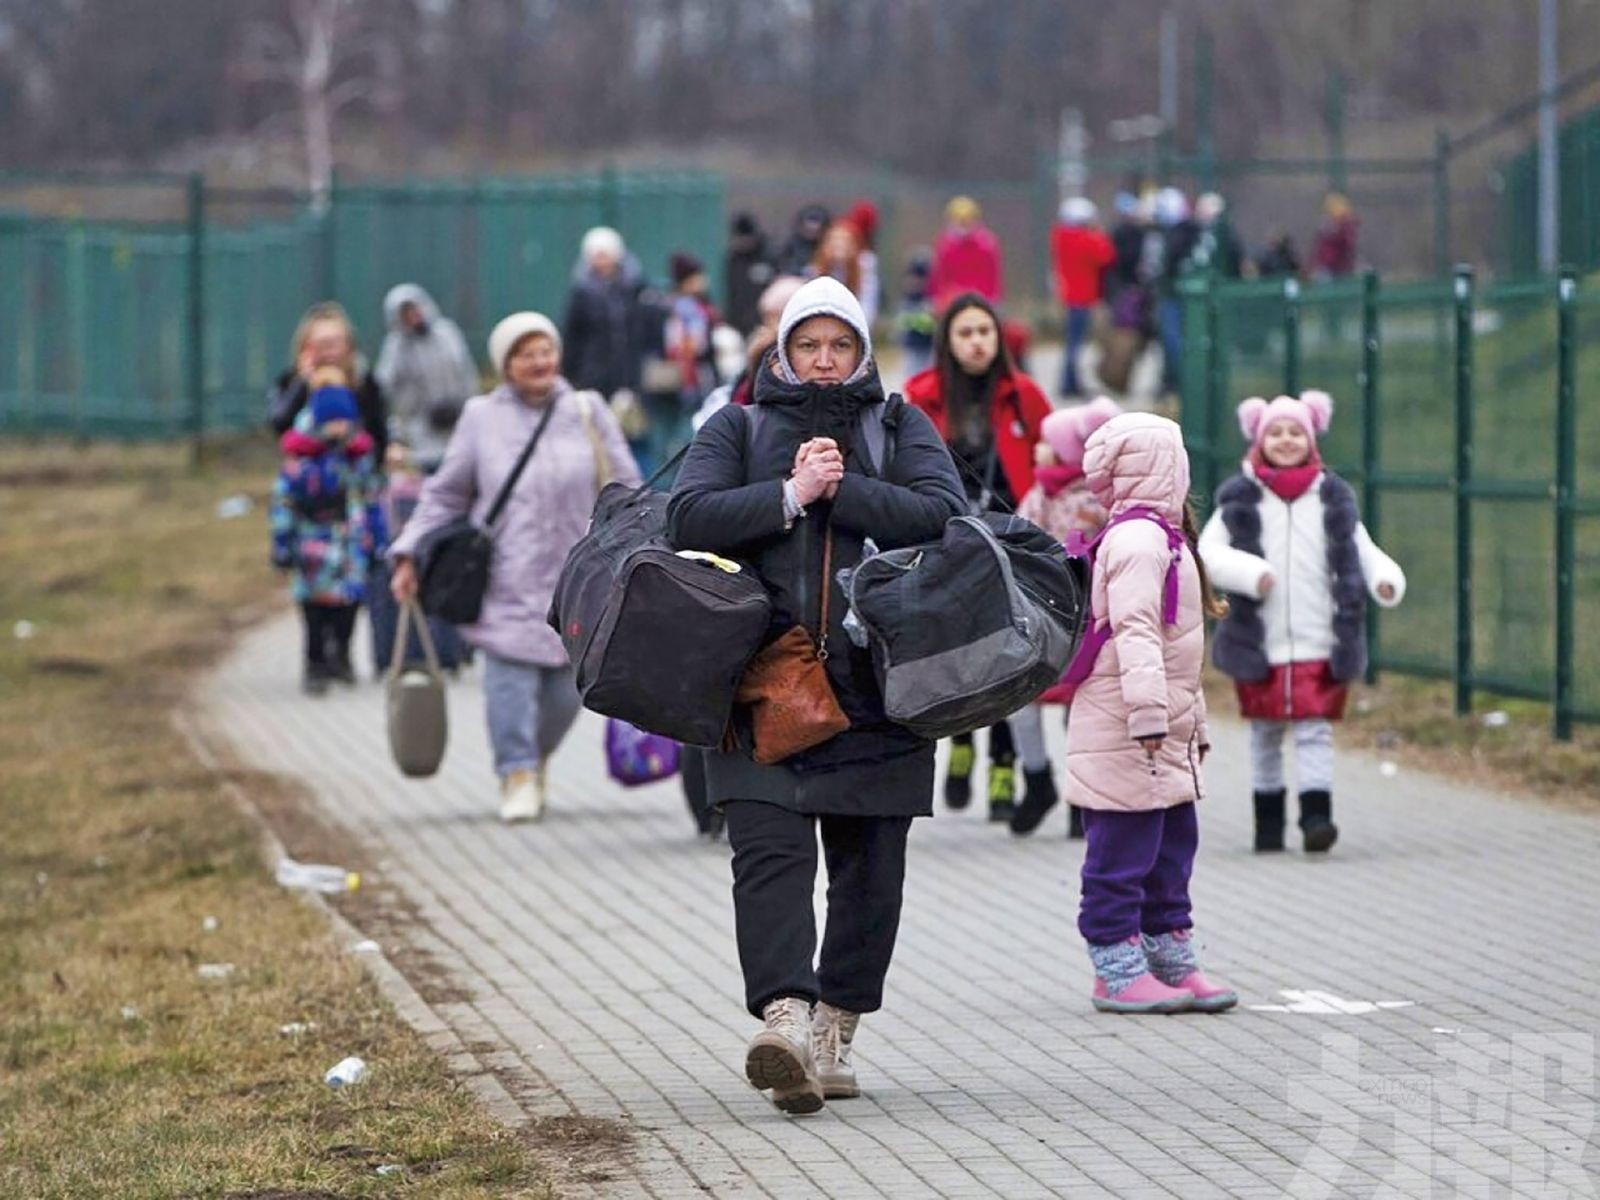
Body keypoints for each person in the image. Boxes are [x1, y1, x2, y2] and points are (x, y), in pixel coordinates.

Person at [666, 277, 966, 1115]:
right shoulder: (738, 424)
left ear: (862, 352)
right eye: (809, 345)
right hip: (759, 684)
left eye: (840, 346)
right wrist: (788, 496)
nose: (825, 362)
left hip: (880, 692)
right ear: (783, 351)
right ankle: (785, 1019)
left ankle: (835, 1025)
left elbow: (950, 515)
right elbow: (686, 517)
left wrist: (848, 491)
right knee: (769, 856)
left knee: (871, 875)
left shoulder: (898, 425)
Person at [389, 312, 642, 823]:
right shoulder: (481, 417)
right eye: (525, 354)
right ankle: (517, 771)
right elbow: (446, 494)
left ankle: (535, 757)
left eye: (545, 350)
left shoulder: (587, 411)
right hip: (506, 576)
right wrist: (408, 550)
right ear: (506, 364)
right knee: (508, 682)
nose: (539, 362)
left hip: (578, 581)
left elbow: (628, 487)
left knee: (566, 694)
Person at [1067, 412, 1236, 1015]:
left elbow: (1181, 650)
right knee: (1121, 850)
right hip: (1129, 727)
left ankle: (1170, 955)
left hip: (1164, 727)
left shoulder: (1165, 539)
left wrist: (1193, 724)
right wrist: (1146, 715)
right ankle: (1115, 965)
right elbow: (1135, 632)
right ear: (1165, 467)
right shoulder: (1139, 543)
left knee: (1171, 847)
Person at [1197, 391, 1405, 854]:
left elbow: (1362, 549)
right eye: (1276, 432)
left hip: (1320, 637)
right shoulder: (1239, 498)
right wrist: (1251, 574)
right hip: (1260, 640)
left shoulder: (1332, 496)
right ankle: (1268, 823)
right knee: (1265, 732)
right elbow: (1206, 555)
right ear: (1258, 436)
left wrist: (1384, 579)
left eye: (1295, 431)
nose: (1286, 440)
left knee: (1315, 728)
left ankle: (1316, 817)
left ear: (1311, 438)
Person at [904, 293, 1051, 823]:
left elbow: (1053, 461)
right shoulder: (921, 397)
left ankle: (1006, 762)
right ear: (947, 341)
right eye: (964, 333)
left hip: (1010, 541)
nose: (976, 342)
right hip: (948, 542)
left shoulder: (1023, 396)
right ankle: (962, 739)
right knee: (961, 649)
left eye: (984, 332)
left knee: (1010, 652)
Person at [1009, 396, 1123, 838]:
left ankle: (1083, 795)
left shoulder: (1093, 503)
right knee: (1021, 705)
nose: (1037, 448)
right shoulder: (1036, 495)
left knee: (1080, 710)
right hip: (1037, 620)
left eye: (1045, 443)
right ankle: (1037, 779)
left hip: (1083, 625)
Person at [270, 367, 386, 695]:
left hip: (349, 542)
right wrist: (282, 544)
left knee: (348, 605)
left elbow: (371, 496)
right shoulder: (302, 455)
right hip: (312, 543)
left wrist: (378, 539)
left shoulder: (358, 454)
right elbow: (284, 502)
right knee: (315, 609)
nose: (338, 427)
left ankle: (342, 655)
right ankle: (315, 662)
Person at [267, 302, 389, 464]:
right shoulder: (291, 381)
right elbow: (278, 424)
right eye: (322, 344)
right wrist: (303, 384)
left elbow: (379, 432)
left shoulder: (364, 382)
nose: (330, 352)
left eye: (336, 343)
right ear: (306, 347)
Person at [374, 284, 481, 468]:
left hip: (458, 419)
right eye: (405, 314)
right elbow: (384, 389)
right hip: (422, 428)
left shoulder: (447, 333)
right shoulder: (396, 347)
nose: (413, 317)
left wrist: (472, 409)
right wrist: (396, 431)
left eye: (414, 309)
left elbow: (466, 372)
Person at [562, 226, 660, 404]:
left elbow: (648, 326)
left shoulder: (635, 287)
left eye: (605, 255)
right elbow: (572, 335)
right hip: (594, 375)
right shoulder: (582, 293)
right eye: (596, 256)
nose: (602, 262)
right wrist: (571, 373)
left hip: (630, 372)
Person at [1051, 198, 1116, 398]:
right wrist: (1098, 233)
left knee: (1072, 341)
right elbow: (1107, 255)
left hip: (1071, 296)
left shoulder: (1061, 237)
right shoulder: (1084, 239)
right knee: (1075, 343)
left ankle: (1069, 381)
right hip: (1082, 296)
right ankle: (1069, 382)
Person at [928, 196, 1003, 312]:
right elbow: (940, 277)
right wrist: (940, 300)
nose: (962, 225)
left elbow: (991, 279)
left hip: (981, 299)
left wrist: (988, 301)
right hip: (951, 300)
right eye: (958, 220)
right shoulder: (945, 244)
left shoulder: (986, 244)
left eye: (966, 220)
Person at [809, 220, 879, 325]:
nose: (839, 247)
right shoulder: (815, 270)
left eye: (844, 243)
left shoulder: (863, 271)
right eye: (835, 242)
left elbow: (868, 305)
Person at [724, 212, 776, 337]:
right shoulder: (734, 259)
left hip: (764, 322)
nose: (744, 243)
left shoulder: (768, 256)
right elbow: (733, 293)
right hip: (739, 322)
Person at [894, 252, 936, 379]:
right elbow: (901, 324)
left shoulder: (931, 301)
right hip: (911, 347)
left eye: (920, 278)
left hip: (929, 348)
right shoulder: (906, 300)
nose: (915, 282)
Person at [1312, 194, 1359, 280]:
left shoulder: (1344, 225)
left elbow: (1347, 243)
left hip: (1338, 266)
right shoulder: (1329, 224)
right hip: (1328, 265)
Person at [776, 203, 831, 276]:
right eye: (809, 230)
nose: (813, 228)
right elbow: (782, 265)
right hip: (797, 280)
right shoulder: (793, 243)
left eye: (816, 231)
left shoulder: (829, 244)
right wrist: (801, 271)